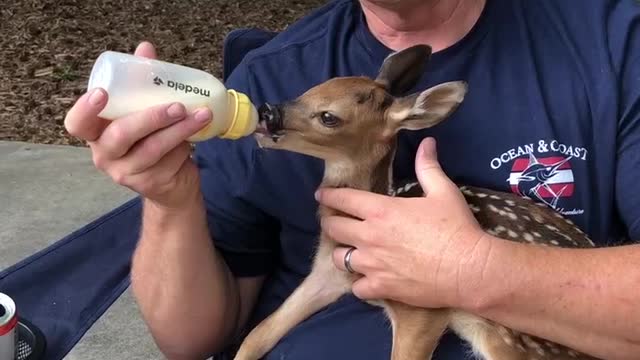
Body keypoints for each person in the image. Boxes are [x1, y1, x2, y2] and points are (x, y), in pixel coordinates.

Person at [63, 0, 640, 358]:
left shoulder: (613, 41)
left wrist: (474, 271)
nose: (276, 119)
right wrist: (168, 200)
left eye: (328, 119)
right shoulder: (275, 70)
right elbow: (189, 342)